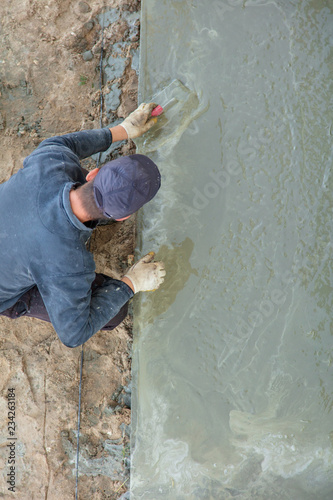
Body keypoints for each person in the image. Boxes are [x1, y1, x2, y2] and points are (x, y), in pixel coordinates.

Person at [0, 103, 165, 348]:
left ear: (93, 173)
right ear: (123, 218)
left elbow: (66, 144)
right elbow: (73, 334)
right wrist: (132, 283)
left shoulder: (49, 162)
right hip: (6, 291)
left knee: (73, 174)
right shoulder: (70, 265)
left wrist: (121, 130)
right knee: (114, 312)